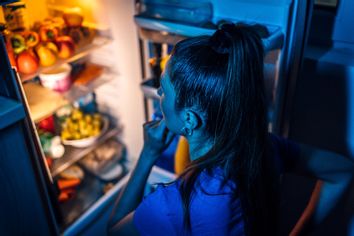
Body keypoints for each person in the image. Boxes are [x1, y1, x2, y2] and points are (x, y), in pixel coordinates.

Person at [108, 23, 354, 235]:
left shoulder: (177, 204)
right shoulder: (264, 146)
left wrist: (148, 153)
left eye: (163, 88)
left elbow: (115, 230)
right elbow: (342, 171)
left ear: (190, 120)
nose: (159, 94)